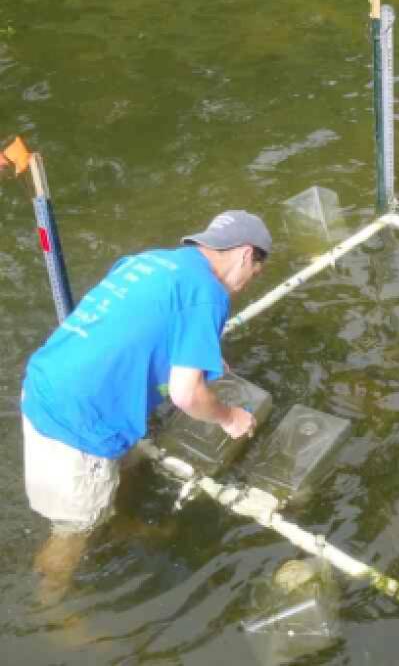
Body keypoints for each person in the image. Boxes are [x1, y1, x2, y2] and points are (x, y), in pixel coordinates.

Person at [20, 209, 272, 602]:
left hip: (48, 379)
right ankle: (53, 611)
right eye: (253, 275)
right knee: (73, 528)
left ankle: (119, 520)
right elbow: (186, 395)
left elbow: (136, 321)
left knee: (120, 471)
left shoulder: (151, 260)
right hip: (78, 422)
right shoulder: (209, 294)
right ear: (245, 255)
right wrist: (229, 417)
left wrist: (200, 351)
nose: (243, 288)